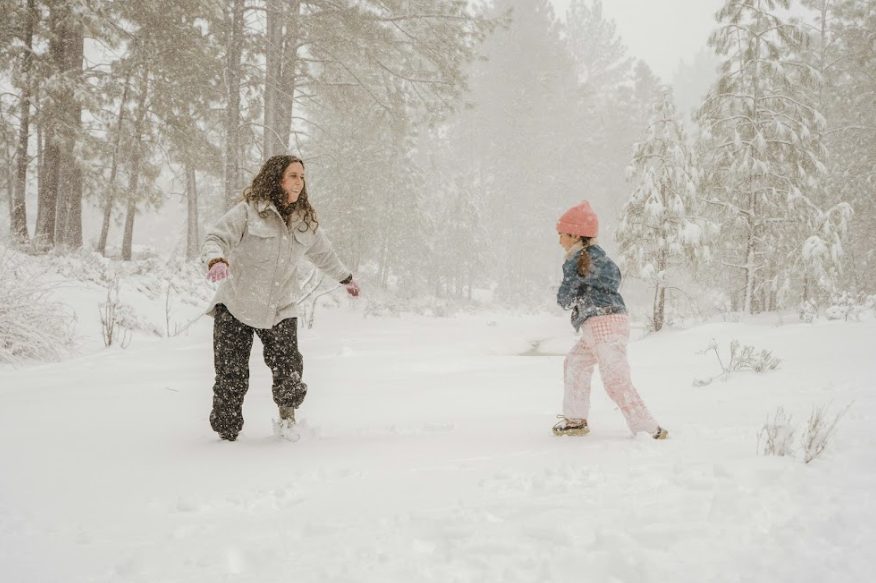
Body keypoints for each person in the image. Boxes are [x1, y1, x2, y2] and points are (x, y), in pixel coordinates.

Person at [201, 154, 360, 442]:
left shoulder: (304, 223)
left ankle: (288, 421)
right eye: (293, 176)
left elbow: (324, 254)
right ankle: (226, 438)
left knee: (289, 371)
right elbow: (216, 238)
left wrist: (345, 278)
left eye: (302, 177)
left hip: (280, 308)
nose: (300, 182)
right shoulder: (248, 212)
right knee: (231, 378)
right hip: (236, 304)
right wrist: (216, 260)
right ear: (277, 179)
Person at [553, 200, 668, 440]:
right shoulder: (601, 259)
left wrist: (571, 295)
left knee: (615, 379)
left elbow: (565, 298)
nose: (559, 239)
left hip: (600, 323)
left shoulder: (577, 259)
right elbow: (613, 281)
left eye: (561, 234)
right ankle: (575, 420)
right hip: (611, 320)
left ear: (575, 235)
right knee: (576, 363)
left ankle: (648, 429)